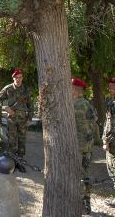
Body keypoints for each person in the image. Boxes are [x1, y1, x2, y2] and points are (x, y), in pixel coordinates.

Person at [0, 69, 33, 172]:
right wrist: (4, 108)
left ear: (22, 78)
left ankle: (20, 163)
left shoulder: (26, 89)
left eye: (20, 77)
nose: (18, 79)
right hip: (11, 119)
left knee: (22, 140)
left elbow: (30, 104)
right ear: (13, 78)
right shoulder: (8, 88)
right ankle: (11, 163)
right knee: (12, 141)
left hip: (23, 119)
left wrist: (30, 118)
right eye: (16, 77)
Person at [71, 77, 97, 214]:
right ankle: (87, 204)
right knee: (85, 174)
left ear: (74, 90)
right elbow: (94, 121)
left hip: (78, 147)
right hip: (88, 146)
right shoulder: (88, 104)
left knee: (77, 175)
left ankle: (79, 203)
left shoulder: (73, 106)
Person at [103, 77, 115, 208]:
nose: (109, 88)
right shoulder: (111, 101)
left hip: (113, 143)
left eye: (112, 86)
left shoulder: (113, 104)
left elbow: (112, 126)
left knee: (113, 168)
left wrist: (106, 141)